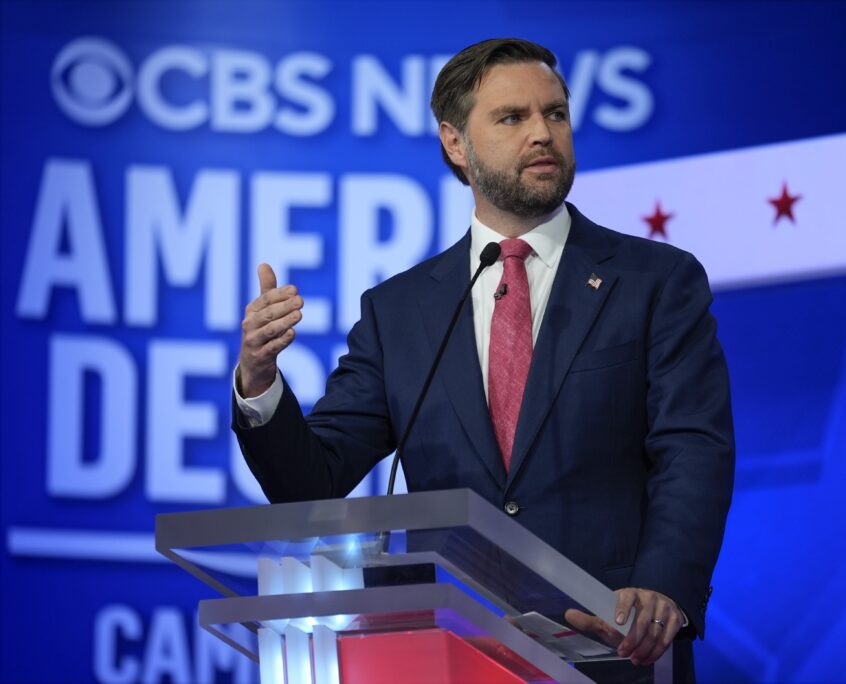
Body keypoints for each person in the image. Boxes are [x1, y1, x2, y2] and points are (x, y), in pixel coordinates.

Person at [233, 38, 734, 682]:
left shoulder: (655, 281)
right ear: (454, 145)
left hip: (613, 645)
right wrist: (259, 380)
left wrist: (663, 587)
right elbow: (312, 483)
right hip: (447, 648)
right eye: (512, 118)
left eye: (555, 113)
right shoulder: (401, 310)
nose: (543, 134)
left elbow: (693, 448)